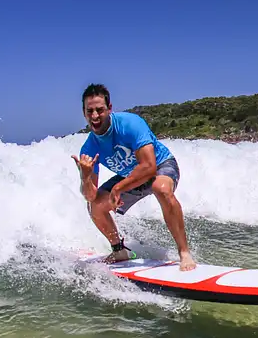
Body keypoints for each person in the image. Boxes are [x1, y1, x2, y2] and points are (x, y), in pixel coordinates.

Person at [72, 83, 197, 270]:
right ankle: (119, 250)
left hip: (161, 165)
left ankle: (184, 253)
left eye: (100, 110)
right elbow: (90, 196)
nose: (95, 116)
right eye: (90, 111)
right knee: (96, 206)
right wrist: (86, 177)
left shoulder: (130, 124)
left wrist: (118, 188)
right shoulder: (89, 148)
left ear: (110, 109)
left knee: (160, 188)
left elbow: (149, 166)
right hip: (131, 176)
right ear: (84, 113)